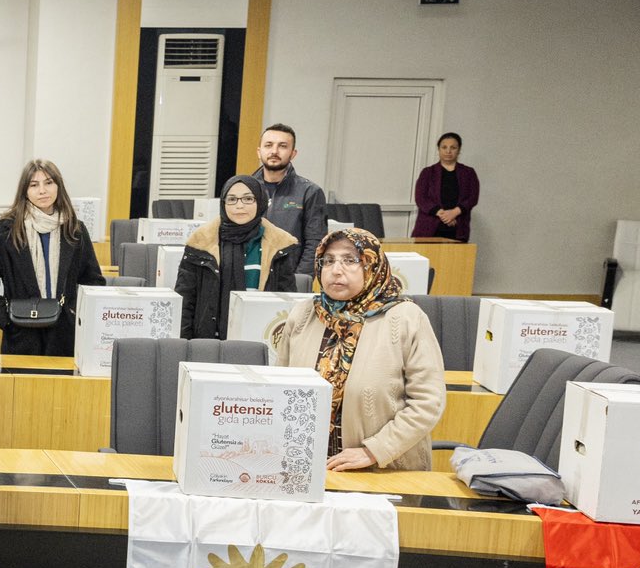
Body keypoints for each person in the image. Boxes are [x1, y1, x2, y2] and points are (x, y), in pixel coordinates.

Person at [269, 226, 445, 473]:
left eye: (350, 260)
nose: (336, 270)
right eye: (328, 261)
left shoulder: (406, 318)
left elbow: (428, 402)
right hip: (307, 465)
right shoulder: (304, 313)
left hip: (383, 468)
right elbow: (281, 388)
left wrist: (375, 450)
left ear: (372, 265)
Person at [0, 158, 105, 356]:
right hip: (21, 337)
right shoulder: (5, 231)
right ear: (25, 191)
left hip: (65, 338)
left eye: (49, 183)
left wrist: (73, 314)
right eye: (34, 185)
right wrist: (8, 319)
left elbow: (93, 282)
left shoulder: (75, 230)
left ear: (58, 186)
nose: (42, 191)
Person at [172, 174, 298, 340]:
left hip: (260, 339)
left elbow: (287, 303)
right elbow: (185, 302)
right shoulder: (200, 243)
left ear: (259, 202)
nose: (239, 205)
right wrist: (185, 345)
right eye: (232, 199)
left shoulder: (279, 246)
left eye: (248, 199)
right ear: (223, 204)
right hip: (207, 341)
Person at [253, 123, 327, 276]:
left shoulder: (310, 192)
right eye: (268, 145)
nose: (274, 151)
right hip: (248, 276)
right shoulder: (244, 190)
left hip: (288, 279)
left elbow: (315, 243)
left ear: (293, 153)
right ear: (259, 152)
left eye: (282, 146)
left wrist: (299, 280)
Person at [412, 131, 480, 241]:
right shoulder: (428, 172)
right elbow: (420, 198)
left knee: (457, 257)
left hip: (458, 226)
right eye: (444, 147)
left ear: (459, 150)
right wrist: (443, 215)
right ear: (438, 149)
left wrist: (454, 212)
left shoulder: (468, 173)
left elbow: (473, 198)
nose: (448, 151)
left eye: (453, 147)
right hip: (429, 228)